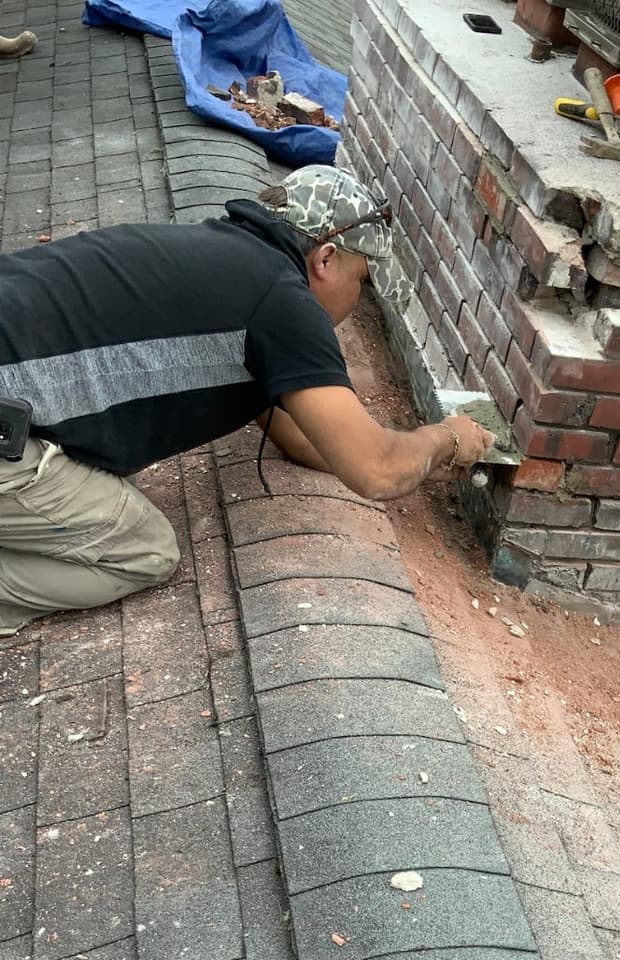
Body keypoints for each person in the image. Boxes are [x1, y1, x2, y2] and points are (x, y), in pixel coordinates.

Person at [0, 164, 495, 637]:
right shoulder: (282, 303)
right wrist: (447, 439)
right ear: (324, 259)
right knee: (143, 551)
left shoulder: (225, 264)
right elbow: (376, 469)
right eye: (362, 284)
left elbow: (303, 437)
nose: (356, 302)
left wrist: (424, 463)